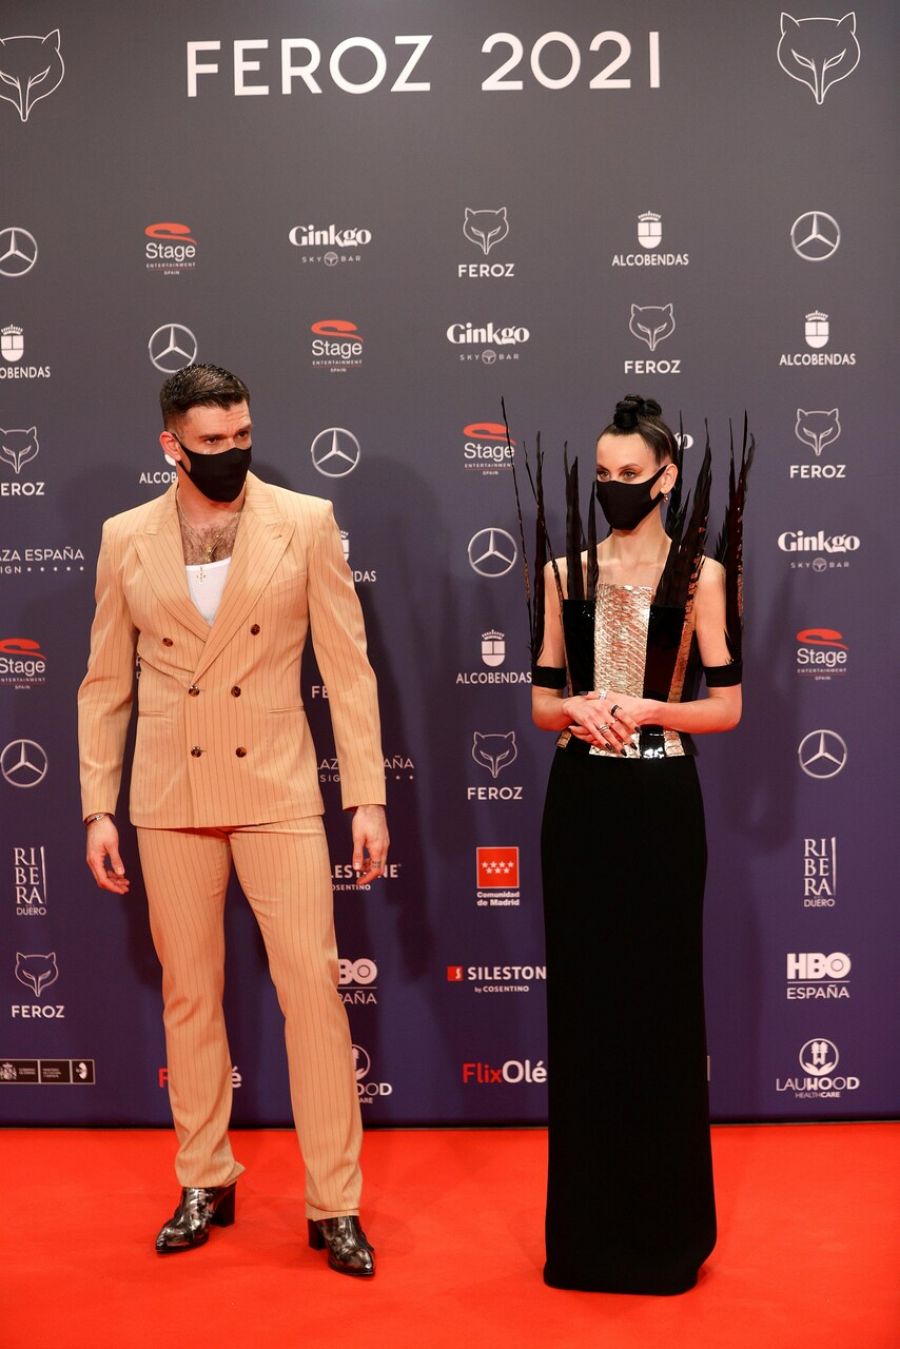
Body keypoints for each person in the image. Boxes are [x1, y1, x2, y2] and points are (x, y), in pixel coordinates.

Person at [78, 363, 389, 1276]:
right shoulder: (124, 537)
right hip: (168, 797)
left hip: (281, 788)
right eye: (211, 442)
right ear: (170, 443)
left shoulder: (305, 521)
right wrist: (98, 802)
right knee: (189, 995)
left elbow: (350, 668)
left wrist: (366, 793)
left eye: (242, 436)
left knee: (314, 994)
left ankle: (336, 1201)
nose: (231, 454)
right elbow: (105, 684)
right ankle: (204, 1177)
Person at [520, 393, 752, 1295]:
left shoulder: (703, 578)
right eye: (603, 475)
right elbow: (542, 702)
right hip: (579, 802)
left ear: (667, 477)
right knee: (584, 1012)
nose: (615, 488)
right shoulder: (562, 573)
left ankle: (663, 1237)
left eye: (632, 475)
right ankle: (584, 1240)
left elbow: (726, 707)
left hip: (660, 802)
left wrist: (648, 707)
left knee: (658, 1010)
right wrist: (575, 707)